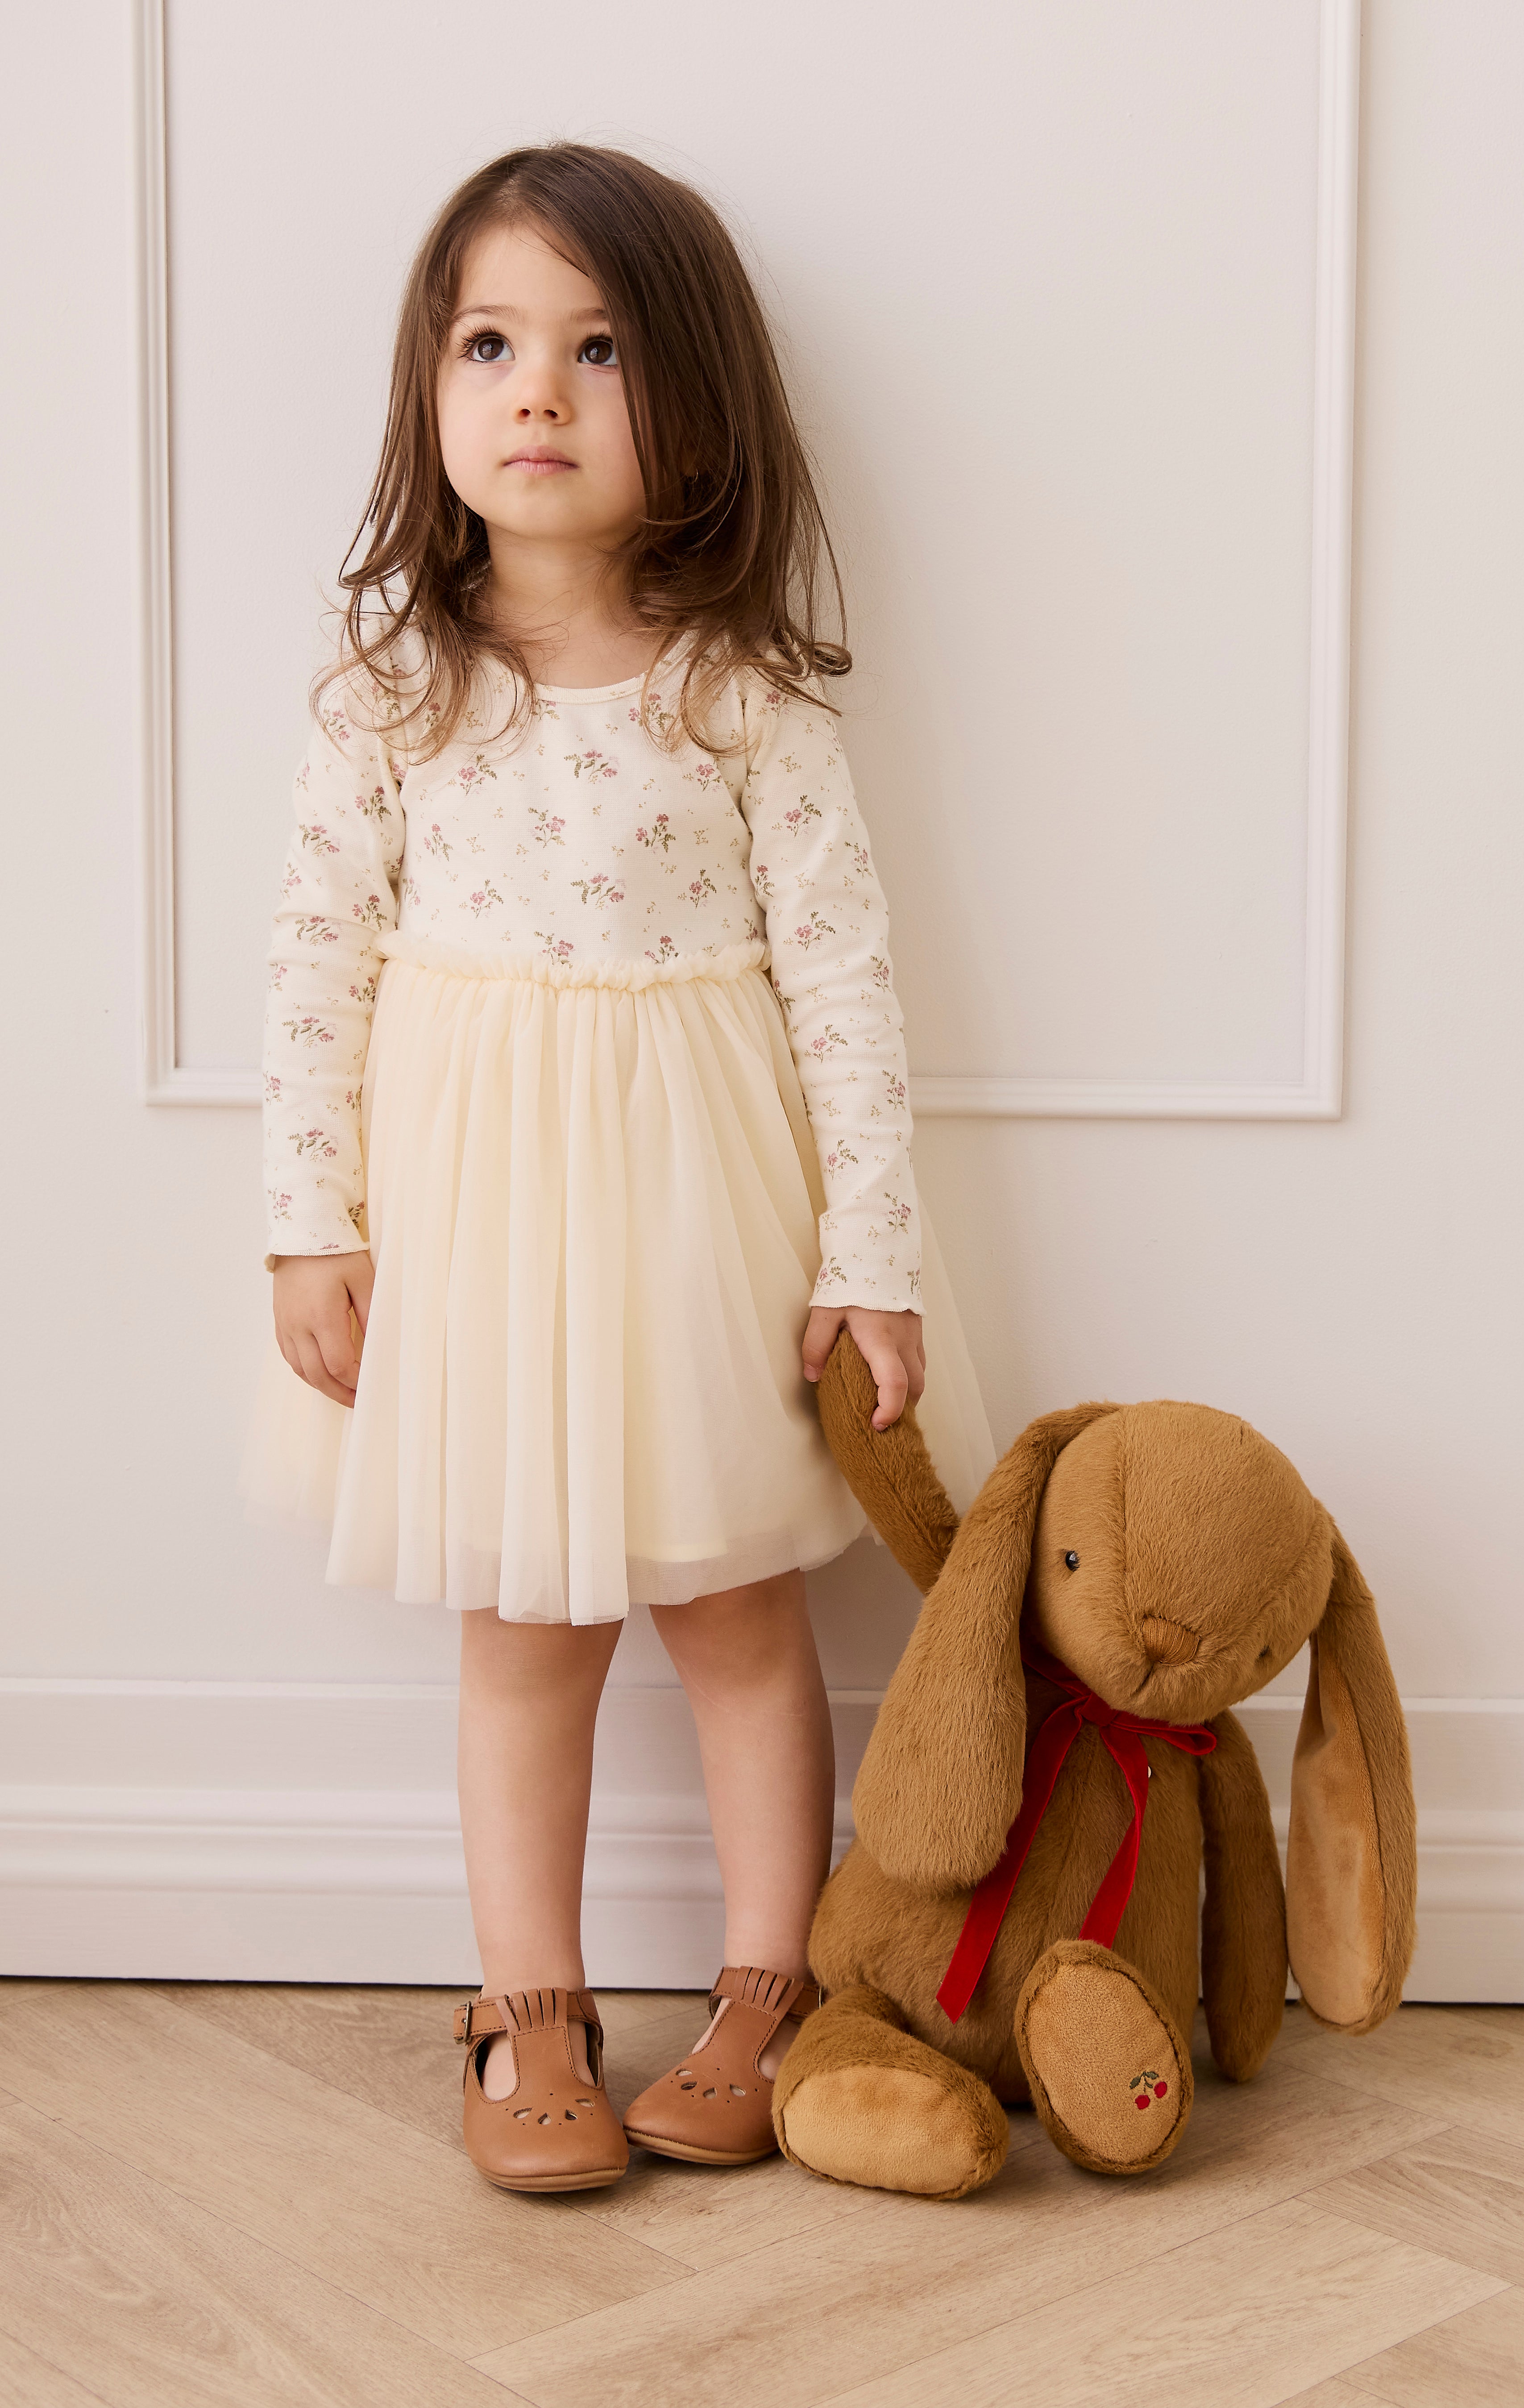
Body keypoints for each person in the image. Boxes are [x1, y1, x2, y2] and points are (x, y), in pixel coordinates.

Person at [244, 142, 993, 2193]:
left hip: (695, 1225)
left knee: (743, 1607)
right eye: (491, 342)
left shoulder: (740, 698)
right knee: (525, 1623)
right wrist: (312, 1217)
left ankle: (771, 1981)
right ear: (431, 388)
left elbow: (846, 984)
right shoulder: (397, 688)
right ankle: (528, 1998)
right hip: (479, 1235)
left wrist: (875, 1253)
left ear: (699, 408)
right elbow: (313, 965)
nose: (540, 392)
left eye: (597, 348)